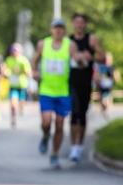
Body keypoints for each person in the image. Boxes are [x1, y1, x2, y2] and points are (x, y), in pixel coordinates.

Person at [32, 18, 78, 169]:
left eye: (61, 28)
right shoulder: (43, 44)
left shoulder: (70, 45)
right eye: (55, 28)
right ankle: (45, 136)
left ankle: (54, 154)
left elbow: (77, 60)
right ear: (51, 30)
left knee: (59, 124)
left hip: (63, 91)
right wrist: (34, 71)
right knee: (46, 122)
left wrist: (81, 60)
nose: (58, 31)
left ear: (64, 30)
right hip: (46, 90)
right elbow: (35, 60)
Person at [68, 13, 104, 162]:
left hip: (86, 81)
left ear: (85, 24)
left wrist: (92, 56)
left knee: (82, 113)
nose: (79, 25)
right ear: (73, 24)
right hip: (71, 81)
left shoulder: (91, 39)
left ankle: (79, 144)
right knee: (74, 112)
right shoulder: (68, 41)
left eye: (82, 23)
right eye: (76, 23)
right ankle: (73, 147)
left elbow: (102, 57)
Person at [3, 43, 31, 128]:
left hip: (22, 85)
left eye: (17, 51)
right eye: (14, 50)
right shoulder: (9, 60)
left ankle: (21, 107)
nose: (15, 52)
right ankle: (13, 119)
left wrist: (24, 72)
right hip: (13, 85)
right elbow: (4, 69)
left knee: (21, 102)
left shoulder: (23, 60)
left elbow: (28, 73)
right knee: (13, 104)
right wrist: (5, 72)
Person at [95, 52, 118, 119]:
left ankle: (105, 112)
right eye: (107, 58)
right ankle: (103, 111)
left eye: (109, 58)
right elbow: (97, 75)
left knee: (107, 100)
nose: (108, 60)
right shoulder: (101, 66)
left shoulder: (112, 67)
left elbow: (115, 77)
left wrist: (115, 77)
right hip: (101, 85)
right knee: (101, 99)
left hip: (108, 86)